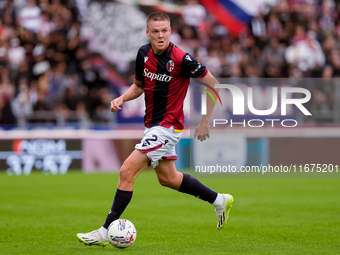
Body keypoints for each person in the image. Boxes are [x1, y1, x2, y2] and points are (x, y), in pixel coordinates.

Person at [76, 12, 234, 246]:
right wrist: (122, 98)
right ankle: (220, 200)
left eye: (164, 30)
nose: (160, 35)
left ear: (170, 31)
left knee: (126, 171)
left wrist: (205, 120)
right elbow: (139, 86)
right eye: (155, 31)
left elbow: (214, 84)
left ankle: (104, 231)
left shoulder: (181, 59)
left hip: (168, 127)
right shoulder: (143, 53)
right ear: (147, 32)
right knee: (168, 179)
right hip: (152, 126)